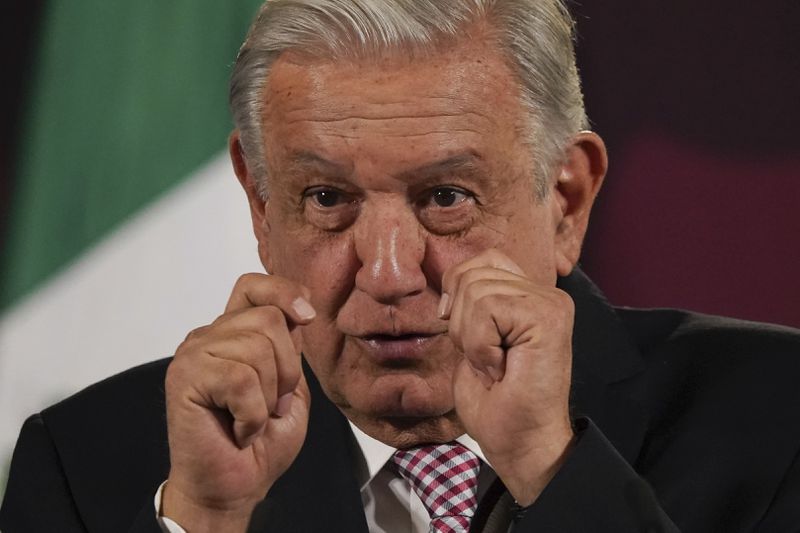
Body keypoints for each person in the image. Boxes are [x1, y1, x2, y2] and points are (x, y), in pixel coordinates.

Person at [2, 0, 799, 531]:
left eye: (446, 197)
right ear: (258, 202)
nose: (387, 272)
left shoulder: (777, 420)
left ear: (565, 200)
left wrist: (551, 468)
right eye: (324, 197)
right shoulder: (92, 467)